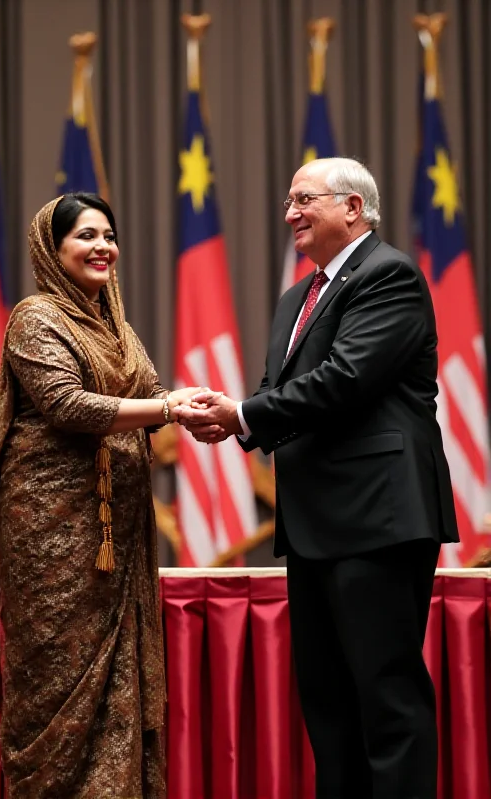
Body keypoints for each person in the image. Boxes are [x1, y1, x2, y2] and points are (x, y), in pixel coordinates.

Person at [176, 158, 459, 799]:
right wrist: (235, 420)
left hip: (378, 521)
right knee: (329, 707)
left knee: (387, 698)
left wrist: (245, 413)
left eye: (304, 199)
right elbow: (285, 392)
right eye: (287, 201)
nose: (290, 213)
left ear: (353, 208)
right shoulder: (295, 299)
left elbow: (346, 381)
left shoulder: (388, 275)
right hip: (314, 527)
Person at [0, 192, 200, 798]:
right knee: (53, 685)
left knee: (120, 689)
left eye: (109, 235)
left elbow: (154, 396)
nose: (103, 246)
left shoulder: (117, 326)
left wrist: (200, 412)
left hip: (120, 541)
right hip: (53, 546)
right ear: (52, 250)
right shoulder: (35, 318)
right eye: (85, 235)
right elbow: (68, 406)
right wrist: (168, 408)